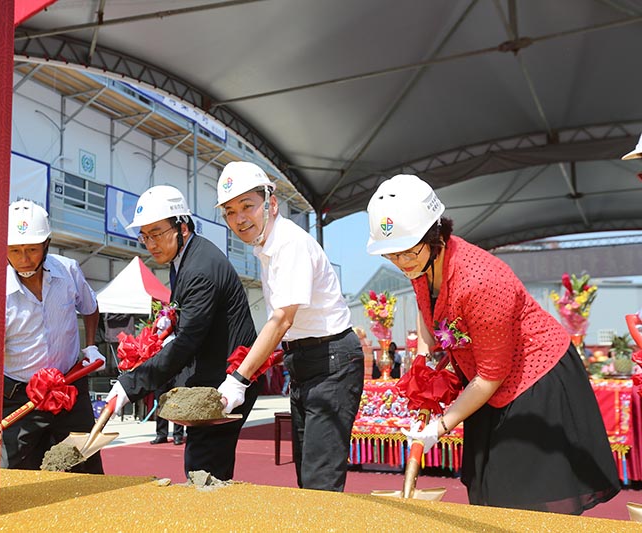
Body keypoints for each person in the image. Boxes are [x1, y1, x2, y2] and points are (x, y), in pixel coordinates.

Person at [366, 174, 620, 514]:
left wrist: (438, 428)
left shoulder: (482, 281)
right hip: (487, 385)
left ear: (435, 234)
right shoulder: (421, 265)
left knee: (521, 499)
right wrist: (424, 364)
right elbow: (429, 313)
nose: (401, 262)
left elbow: (491, 374)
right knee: (487, 491)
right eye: (391, 255)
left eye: (407, 252)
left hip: (534, 381)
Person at [215, 161, 364, 492]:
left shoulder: (289, 244)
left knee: (319, 480)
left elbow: (282, 318)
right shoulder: (267, 248)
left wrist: (239, 379)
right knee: (307, 475)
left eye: (247, 206)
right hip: (306, 362)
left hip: (332, 362)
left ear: (271, 203)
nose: (239, 218)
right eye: (229, 211)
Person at [105, 185, 259, 481]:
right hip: (212, 375)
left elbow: (188, 340)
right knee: (205, 468)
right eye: (145, 235)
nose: (151, 243)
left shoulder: (199, 269)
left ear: (182, 226)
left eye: (158, 233)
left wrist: (130, 385)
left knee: (204, 469)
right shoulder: (185, 260)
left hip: (228, 381)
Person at [2, 200, 106, 474]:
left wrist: (92, 346)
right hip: (21, 396)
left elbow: (90, 307)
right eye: (15, 250)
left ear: (47, 244)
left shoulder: (68, 270)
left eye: (32, 250)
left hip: (69, 387)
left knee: (86, 468)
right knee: (15, 475)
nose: (24, 259)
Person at [151, 376, 185, 445]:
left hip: (177, 373)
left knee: (178, 404)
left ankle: (178, 435)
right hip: (161, 373)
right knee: (161, 404)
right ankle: (161, 434)